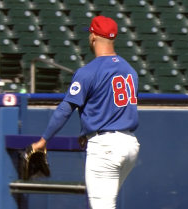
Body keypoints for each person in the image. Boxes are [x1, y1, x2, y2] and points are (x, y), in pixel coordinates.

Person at [31, 16, 140, 209]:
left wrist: (44, 140)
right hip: (130, 145)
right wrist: (86, 132)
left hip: (105, 148)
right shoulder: (130, 70)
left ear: (93, 37)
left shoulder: (88, 71)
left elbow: (65, 109)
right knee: (104, 203)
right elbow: (111, 106)